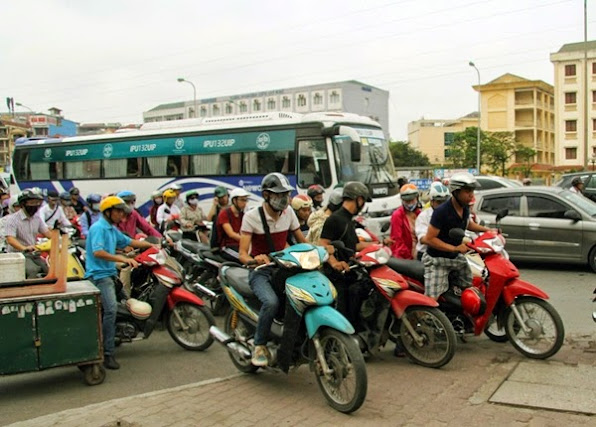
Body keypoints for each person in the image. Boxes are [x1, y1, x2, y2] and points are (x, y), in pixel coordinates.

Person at [238, 173, 307, 367]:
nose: (284, 199)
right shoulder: (252, 217)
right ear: (267, 195)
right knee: (271, 303)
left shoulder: (289, 213)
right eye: (279, 194)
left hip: (284, 268)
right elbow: (242, 254)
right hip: (260, 271)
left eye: (286, 193)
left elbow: (302, 242)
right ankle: (259, 344)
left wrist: (320, 251)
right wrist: (254, 259)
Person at [85, 196, 159, 370]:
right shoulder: (98, 228)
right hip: (99, 276)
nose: (121, 215)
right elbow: (98, 252)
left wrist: (151, 245)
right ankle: (107, 353)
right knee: (111, 310)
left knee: (126, 304)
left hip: (111, 274)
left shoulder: (111, 229)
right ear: (108, 212)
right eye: (118, 211)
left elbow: (128, 241)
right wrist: (120, 257)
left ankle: (118, 335)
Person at [422, 172, 492, 301]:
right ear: (456, 191)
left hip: (456, 258)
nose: (471, 194)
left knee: (471, 284)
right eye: (467, 191)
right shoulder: (441, 212)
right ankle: (428, 319)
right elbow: (429, 239)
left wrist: (488, 230)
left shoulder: (464, 208)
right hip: (437, 260)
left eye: (472, 191)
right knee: (431, 300)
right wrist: (454, 248)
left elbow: (468, 224)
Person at [318, 182, 376, 330]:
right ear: (359, 199)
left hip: (350, 271)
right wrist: (334, 263)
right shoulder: (335, 219)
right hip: (336, 275)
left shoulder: (349, 220)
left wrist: (379, 245)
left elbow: (354, 246)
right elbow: (323, 245)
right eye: (363, 201)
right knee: (343, 316)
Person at [3, 189, 52, 278]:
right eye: (32, 203)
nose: (35, 205)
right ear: (23, 204)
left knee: (49, 269)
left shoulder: (37, 218)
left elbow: (47, 233)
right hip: (18, 255)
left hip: (34, 254)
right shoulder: (12, 220)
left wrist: (59, 239)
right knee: (32, 270)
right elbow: (10, 239)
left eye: (36, 203)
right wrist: (24, 248)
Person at [415, 183, 450, 260]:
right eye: (439, 202)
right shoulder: (424, 216)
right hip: (426, 255)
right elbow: (423, 239)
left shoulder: (452, 214)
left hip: (446, 253)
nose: (442, 205)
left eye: (445, 202)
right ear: (431, 202)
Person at [390, 184, 421, 260]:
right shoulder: (397, 215)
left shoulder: (420, 214)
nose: (410, 203)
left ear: (417, 198)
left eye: (412, 200)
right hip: (404, 257)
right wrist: (408, 257)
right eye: (407, 201)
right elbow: (397, 240)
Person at [217, 187, 250, 261]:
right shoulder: (224, 214)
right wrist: (247, 240)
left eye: (246, 200)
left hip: (241, 246)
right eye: (242, 200)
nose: (245, 203)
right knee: (245, 260)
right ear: (234, 200)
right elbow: (231, 234)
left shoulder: (243, 214)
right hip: (227, 247)